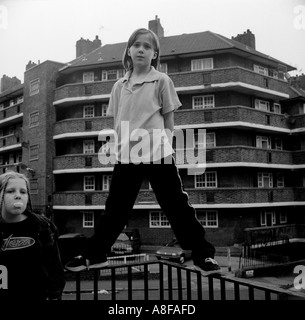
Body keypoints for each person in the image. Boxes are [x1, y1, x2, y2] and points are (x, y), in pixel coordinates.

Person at [65, 28, 221, 275]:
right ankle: (94, 255)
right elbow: (119, 122)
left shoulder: (161, 81)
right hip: (127, 155)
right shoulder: (119, 86)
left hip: (158, 153)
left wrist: (165, 148)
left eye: (147, 46)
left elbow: (169, 121)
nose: (141, 49)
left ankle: (203, 255)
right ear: (128, 50)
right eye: (136, 45)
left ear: (155, 54)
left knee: (177, 207)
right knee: (115, 209)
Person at [0, 171, 65, 300]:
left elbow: (55, 269)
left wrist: (54, 296)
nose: (18, 196)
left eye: (23, 192)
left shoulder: (43, 227)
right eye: (10, 191)